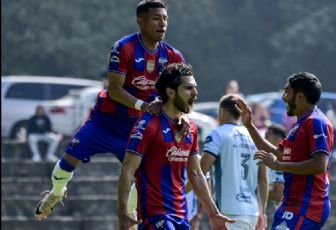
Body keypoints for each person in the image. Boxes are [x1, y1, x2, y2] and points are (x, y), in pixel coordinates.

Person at [34, 0, 188, 223]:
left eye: (165, 18)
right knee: (67, 160)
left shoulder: (173, 56)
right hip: (104, 122)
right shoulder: (123, 47)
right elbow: (114, 90)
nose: (162, 23)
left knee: (145, 177)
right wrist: (143, 105)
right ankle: (57, 192)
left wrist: (181, 117)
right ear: (141, 22)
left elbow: (181, 93)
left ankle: (132, 217)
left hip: (137, 127)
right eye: (156, 18)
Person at [117, 63, 235, 230]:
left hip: (181, 217)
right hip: (155, 217)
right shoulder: (147, 124)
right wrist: (122, 214)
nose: (195, 93)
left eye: (195, 88)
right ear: (170, 92)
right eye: (188, 88)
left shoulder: (191, 128)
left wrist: (213, 213)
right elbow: (127, 171)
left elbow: (195, 173)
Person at [236, 72, 334, 229]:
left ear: (300, 96)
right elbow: (279, 154)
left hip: (307, 206)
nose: (284, 97)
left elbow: (320, 165)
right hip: (291, 204)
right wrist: (249, 125)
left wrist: (279, 166)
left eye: (287, 92)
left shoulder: (316, 122)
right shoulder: (300, 124)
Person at [190, 94, 268, 230]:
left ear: (221, 112)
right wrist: (262, 212)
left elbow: (200, 173)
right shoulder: (255, 137)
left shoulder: (217, 134)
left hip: (228, 212)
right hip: (252, 212)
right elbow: (263, 180)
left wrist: (179, 193)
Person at [264, 124, 286, 205]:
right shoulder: (268, 157)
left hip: (272, 210)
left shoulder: (280, 161)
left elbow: (278, 195)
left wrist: (255, 190)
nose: (263, 139)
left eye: (267, 136)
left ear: (278, 140)